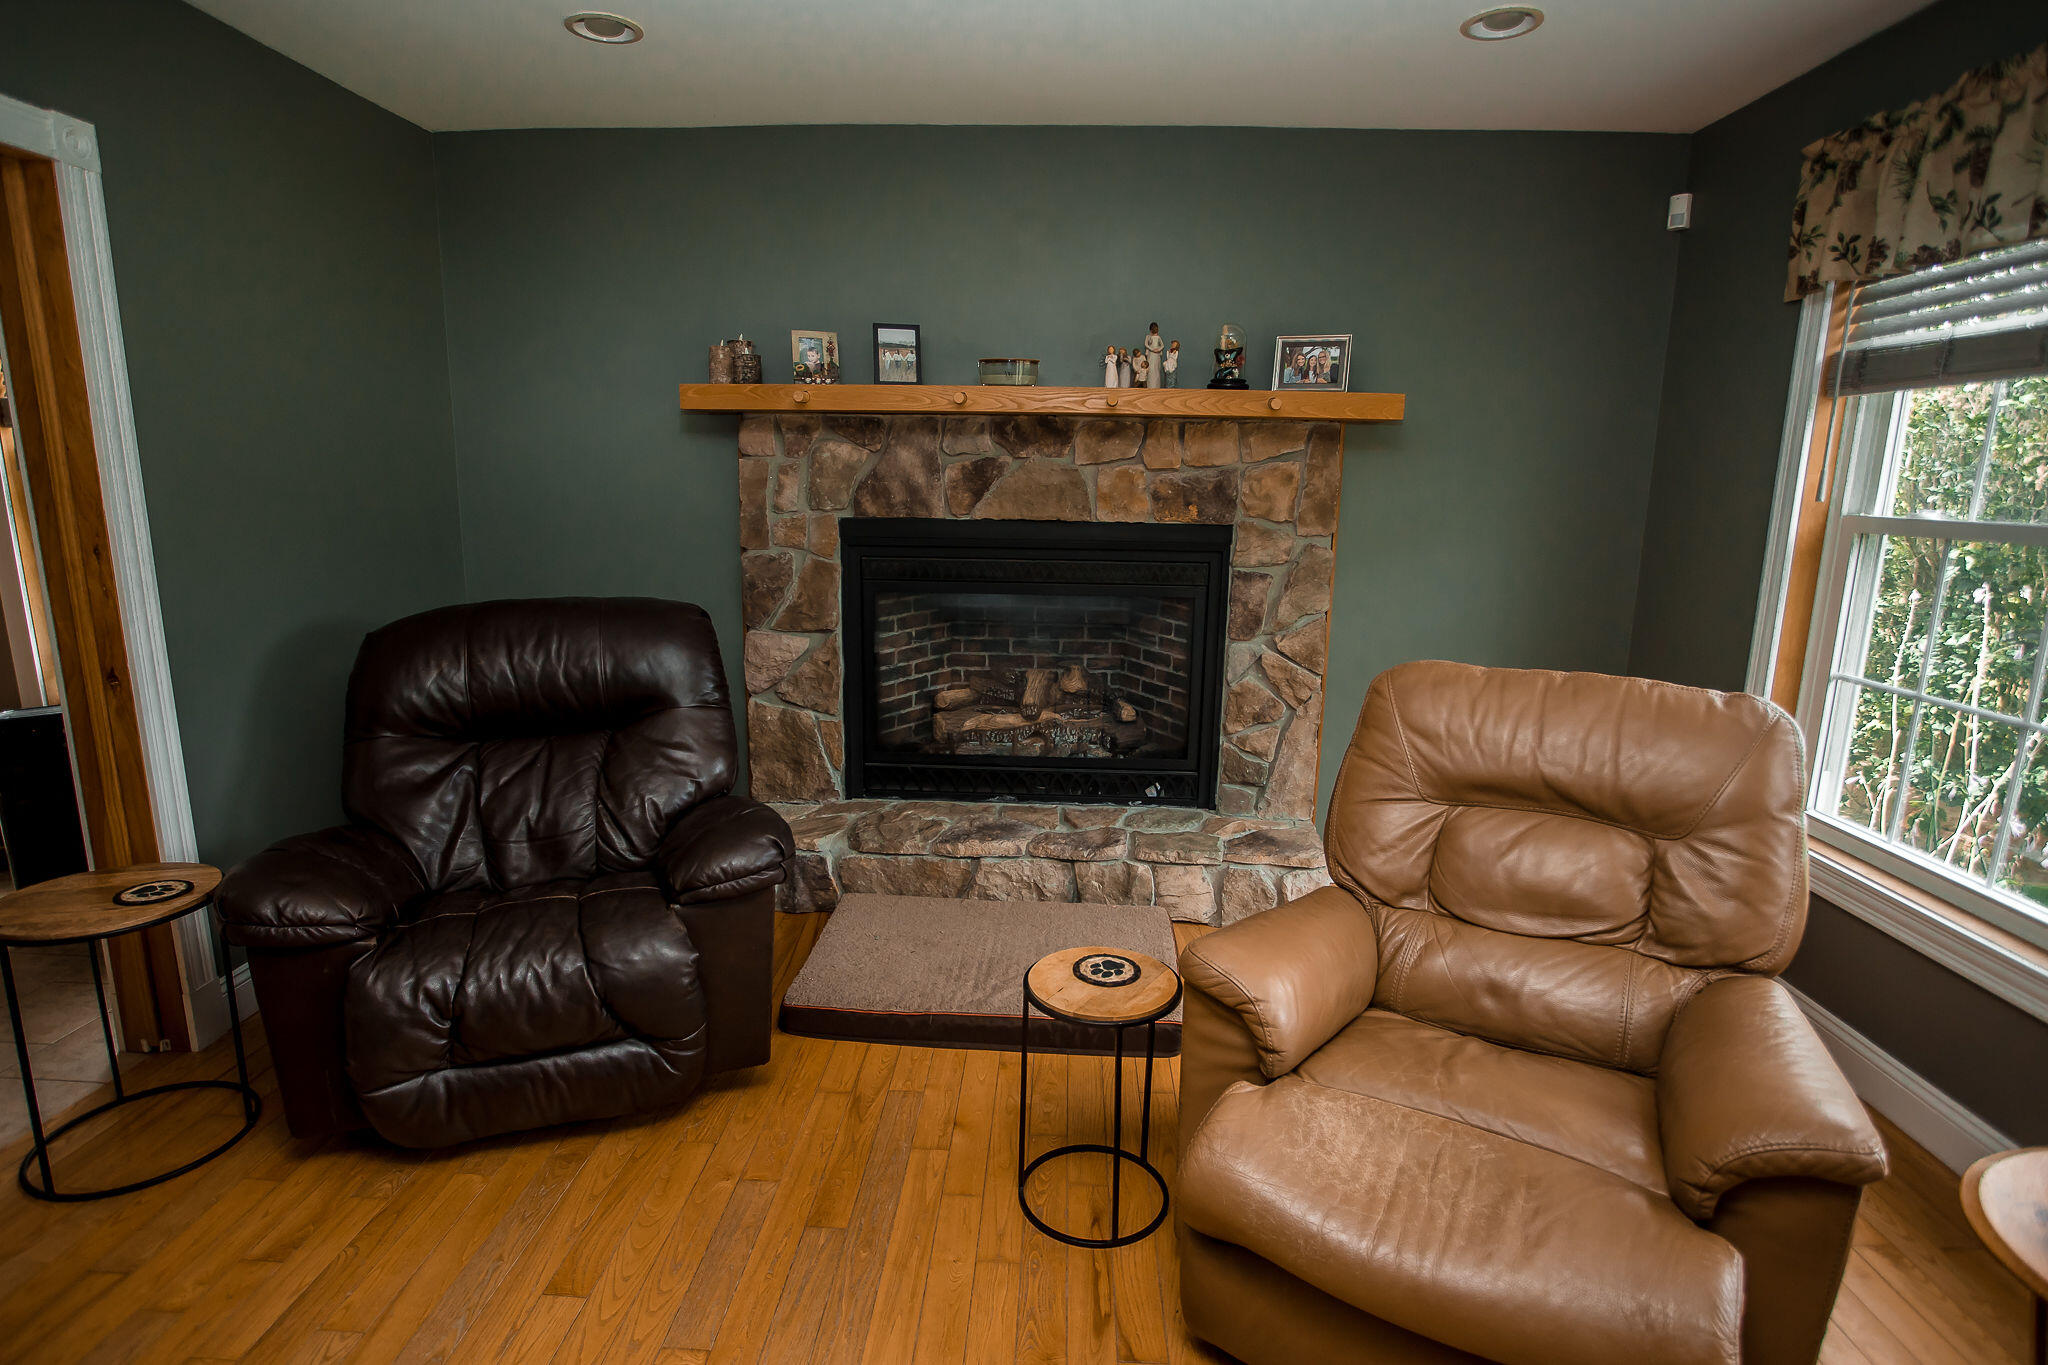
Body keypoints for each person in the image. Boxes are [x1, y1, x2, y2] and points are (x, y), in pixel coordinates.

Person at [1143, 324, 1165, 389]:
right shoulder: (1148, 337)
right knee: (1150, 370)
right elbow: (1146, 344)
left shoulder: (1158, 337)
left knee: (1156, 370)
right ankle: (1150, 386)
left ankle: (1156, 386)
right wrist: (1152, 349)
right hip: (1151, 355)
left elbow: (1162, 345)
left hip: (1156, 355)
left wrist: (1158, 349)